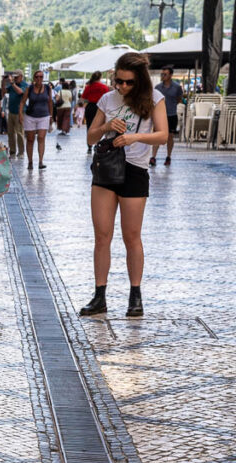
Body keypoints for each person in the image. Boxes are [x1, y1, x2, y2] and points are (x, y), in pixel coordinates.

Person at [81, 53, 168, 318]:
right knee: (102, 235)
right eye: (118, 81)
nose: (122, 87)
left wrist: (134, 137)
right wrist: (107, 124)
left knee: (131, 236)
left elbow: (163, 135)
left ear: (139, 80)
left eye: (128, 82)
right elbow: (90, 136)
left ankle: (135, 295)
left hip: (135, 171)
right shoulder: (107, 99)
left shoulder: (155, 99)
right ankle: (99, 296)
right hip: (106, 170)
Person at [19, 70, 54, 169]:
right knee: (30, 140)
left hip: (44, 116)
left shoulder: (47, 88)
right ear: (34, 78)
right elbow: (22, 102)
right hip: (30, 116)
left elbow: (50, 102)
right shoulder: (29, 88)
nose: (39, 78)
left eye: (41, 77)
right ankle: (30, 162)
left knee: (41, 138)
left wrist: (51, 116)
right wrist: (20, 114)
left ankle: (40, 161)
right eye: (37, 77)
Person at [150, 66, 184, 166]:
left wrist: (171, 106)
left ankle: (168, 156)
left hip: (171, 114)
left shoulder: (177, 87)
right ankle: (153, 157)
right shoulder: (157, 87)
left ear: (170, 75)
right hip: (159, 115)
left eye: (165, 74)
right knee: (156, 136)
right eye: (162, 74)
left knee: (170, 137)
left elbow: (179, 99)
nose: (163, 76)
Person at [81, 72, 112, 153]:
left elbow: (84, 98)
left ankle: (89, 145)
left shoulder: (89, 87)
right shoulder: (104, 87)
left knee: (89, 125)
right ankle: (97, 143)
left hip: (90, 107)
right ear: (100, 77)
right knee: (99, 126)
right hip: (100, 108)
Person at [6, 71, 27, 157]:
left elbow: (20, 92)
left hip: (20, 112)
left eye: (16, 77)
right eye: (14, 77)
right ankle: (12, 151)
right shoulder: (12, 85)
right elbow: (4, 92)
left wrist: (12, 83)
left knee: (19, 133)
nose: (15, 79)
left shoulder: (24, 84)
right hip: (11, 111)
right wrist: (4, 82)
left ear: (21, 77)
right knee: (10, 133)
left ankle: (21, 152)